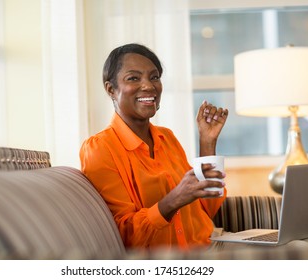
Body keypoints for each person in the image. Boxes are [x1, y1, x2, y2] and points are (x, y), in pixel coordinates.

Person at [80, 43, 229, 251]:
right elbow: (124, 236)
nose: (149, 86)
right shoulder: (100, 149)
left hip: (211, 247)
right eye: (133, 78)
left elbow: (208, 208)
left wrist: (207, 141)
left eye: (154, 77)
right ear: (111, 89)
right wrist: (173, 200)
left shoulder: (166, 137)